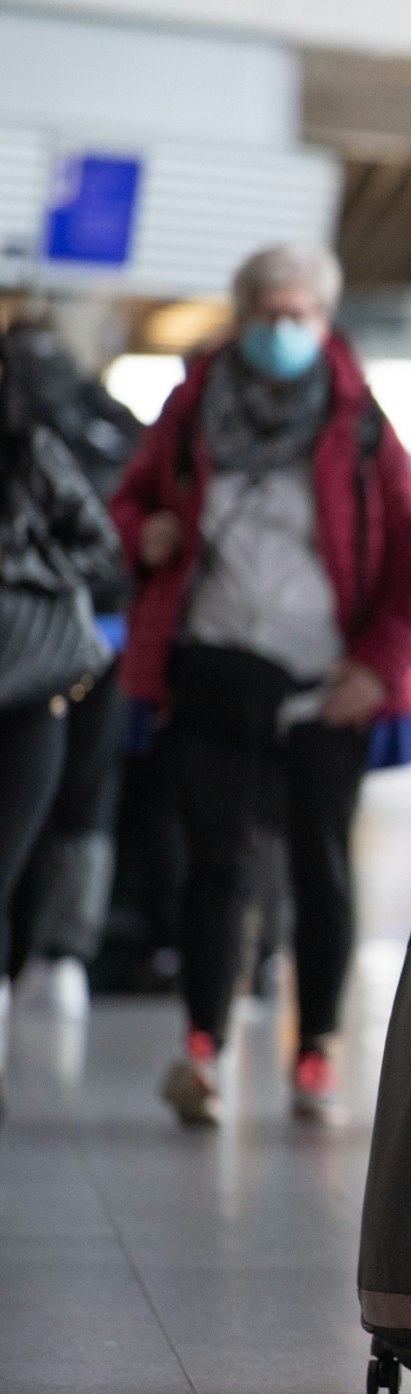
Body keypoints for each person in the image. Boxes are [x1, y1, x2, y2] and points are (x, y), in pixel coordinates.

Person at [111, 244, 411, 1125]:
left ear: (326, 319)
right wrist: (141, 532)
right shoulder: (190, 409)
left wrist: (379, 665)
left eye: (302, 312)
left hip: (324, 686)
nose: (285, 328)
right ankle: (202, 1051)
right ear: (242, 311)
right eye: (269, 310)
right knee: (216, 864)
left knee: (318, 865)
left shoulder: (359, 422)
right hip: (210, 673)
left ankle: (316, 1053)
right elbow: (130, 500)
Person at [0, 328, 122, 1120]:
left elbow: (99, 549)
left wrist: (17, 573)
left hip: (30, 690)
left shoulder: (30, 448)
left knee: (9, 864)